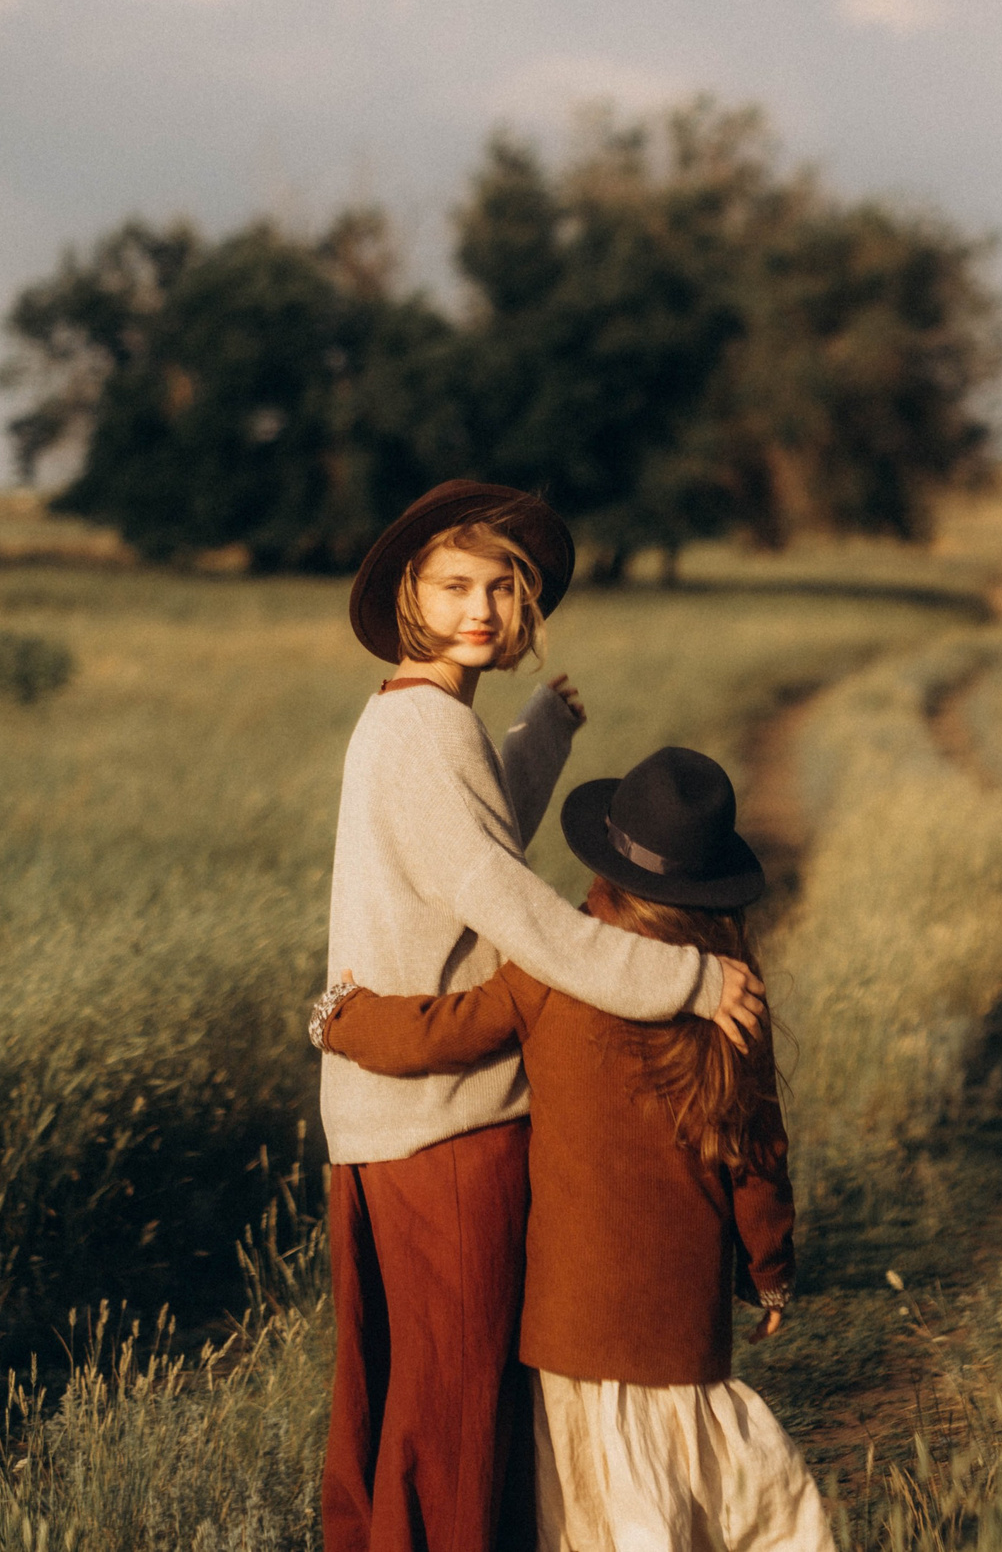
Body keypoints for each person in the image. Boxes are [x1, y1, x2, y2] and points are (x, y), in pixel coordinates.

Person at [314, 481, 765, 1552]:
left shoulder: (415, 720)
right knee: (456, 1414)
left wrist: (541, 735)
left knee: (403, 1404)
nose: (483, 607)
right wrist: (692, 985)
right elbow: (512, 907)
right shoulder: (426, 730)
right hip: (446, 1122)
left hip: (392, 1111)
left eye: (502, 586)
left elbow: (467, 854)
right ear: (409, 597)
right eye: (455, 585)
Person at [315, 745, 834, 1552]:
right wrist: (770, 1275)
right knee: (715, 1505)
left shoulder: (550, 974)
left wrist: (340, 1018)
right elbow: (757, 1160)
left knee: (592, 1515)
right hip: (681, 1326)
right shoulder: (731, 1000)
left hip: (565, 1322)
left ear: (603, 867)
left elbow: (438, 1033)